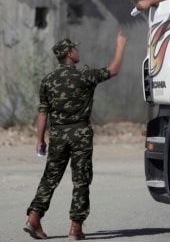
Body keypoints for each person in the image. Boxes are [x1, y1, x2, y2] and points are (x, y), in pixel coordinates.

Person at [23, 31, 127, 240]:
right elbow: (114, 70)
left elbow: (43, 112)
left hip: (58, 135)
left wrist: (39, 139)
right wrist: (120, 45)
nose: (78, 51)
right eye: (75, 48)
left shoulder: (48, 80)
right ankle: (75, 228)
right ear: (69, 53)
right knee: (81, 180)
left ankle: (34, 217)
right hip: (80, 133)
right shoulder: (84, 75)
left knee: (50, 178)